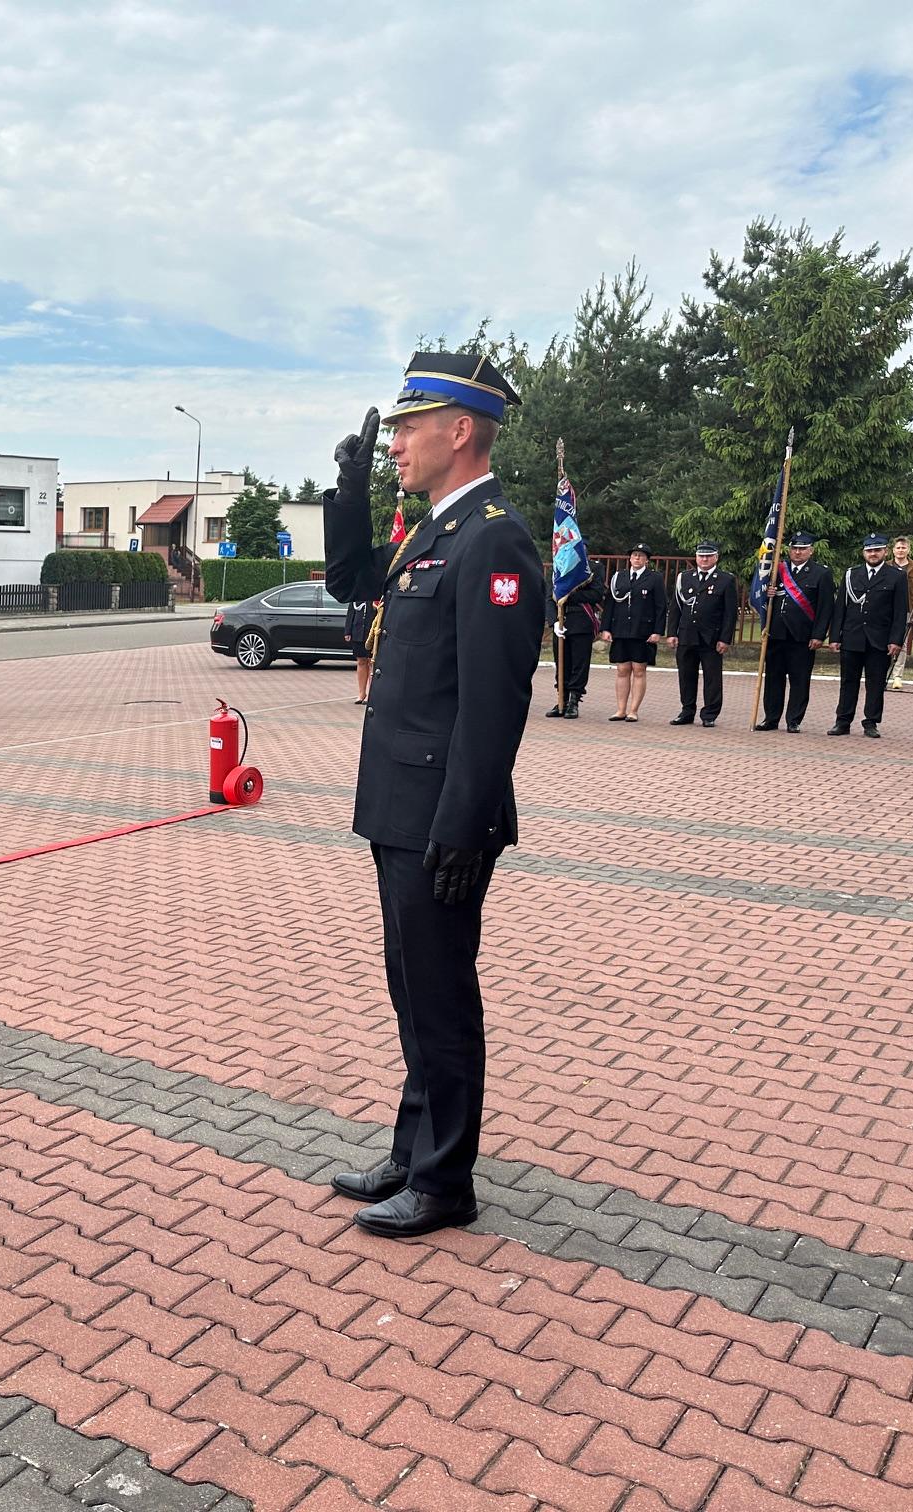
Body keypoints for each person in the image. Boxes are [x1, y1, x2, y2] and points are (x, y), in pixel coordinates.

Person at [322, 352, 543, 1239]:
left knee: (442, 995)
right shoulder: (433, 532)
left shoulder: (493, 538)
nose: (395, 444)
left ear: (460, 431)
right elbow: (351, 582)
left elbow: (495, 703)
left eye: (409, 427)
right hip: (402, 808)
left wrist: (463, 823)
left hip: (443, 818)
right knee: (411, 988)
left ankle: (446, 1182)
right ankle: (414, 1153)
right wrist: (347, 495)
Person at [828, 533, 907, 738]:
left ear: (885, 552)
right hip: (852, 637)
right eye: (869, 550)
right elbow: (840, 608)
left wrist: (896, 640)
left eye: (877, 550)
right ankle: (842, 721)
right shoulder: (851, 574)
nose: (873, 554)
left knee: (876, 683)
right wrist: (835, 636)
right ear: (864, 553)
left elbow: (900, 612)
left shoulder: (897, 576)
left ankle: (871, 722)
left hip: (879, 639)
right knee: (848, 682)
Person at [756, 531, 834, 731]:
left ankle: (794, 720)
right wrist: (767, 593)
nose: (798, 552)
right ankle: (771, 718)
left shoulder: (821, 573)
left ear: (811, 551)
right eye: (794, 548)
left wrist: (818, 635)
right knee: (773, 678)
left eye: (802, 549)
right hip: (776, 633)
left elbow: (825, 608)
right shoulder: (776, 570)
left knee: (799, 680)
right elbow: (760, 597)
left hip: (802, 636)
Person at [665, 542, 737, 727]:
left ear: (716, 557)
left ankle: (709, 714)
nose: (704, 559)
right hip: (687, 635)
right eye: (701, 556)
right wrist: (672, 632)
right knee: (686, 676)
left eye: (708, 556)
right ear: (696, 557)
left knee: (712, 678)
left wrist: (725, 638)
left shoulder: (726, 579)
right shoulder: (685, 577)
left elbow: (730, 613)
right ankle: (687, 711)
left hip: (711, 638)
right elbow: (676, 607)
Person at [599, 544, 667, 722]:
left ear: (647, 560)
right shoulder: (618, 577)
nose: (637, 558)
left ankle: (633, 711)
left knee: (638, 669)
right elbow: (610, 604)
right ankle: (620, 710)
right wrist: (605, 628)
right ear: (629, 558)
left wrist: (657, 631)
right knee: (622, 669)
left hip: (642, 631)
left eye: (641, 556)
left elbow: (661, 606)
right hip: (620, 629)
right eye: (634, 555)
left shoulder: (654, 578)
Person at [545, 563, 602, 718]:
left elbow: (596, 594)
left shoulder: (592, 568)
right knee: (561, 663)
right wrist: (553, 621)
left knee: (579, 664)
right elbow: (549, 597)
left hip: (581, 620)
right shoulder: (558, 567)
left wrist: (568, 594)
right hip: (560, 621)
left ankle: (574, 701)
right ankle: (562, 700)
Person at [889, 537, 913, 693]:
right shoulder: (886, 566)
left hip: (907, 608)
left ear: (908, 550)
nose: (901, 550)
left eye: (903, 548)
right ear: (893, 550)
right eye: (898, 548)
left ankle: (897, 676)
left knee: (902, 641)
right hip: (887, 608)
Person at [344, 598, 375, 703]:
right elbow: (351, 612)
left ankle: (371, 694)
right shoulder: (357, 595)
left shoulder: (376, 594)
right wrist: (348, 631)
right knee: (361, 661)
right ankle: (362, 693)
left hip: (372, 633)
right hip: (358, 632)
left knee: (371, 662)